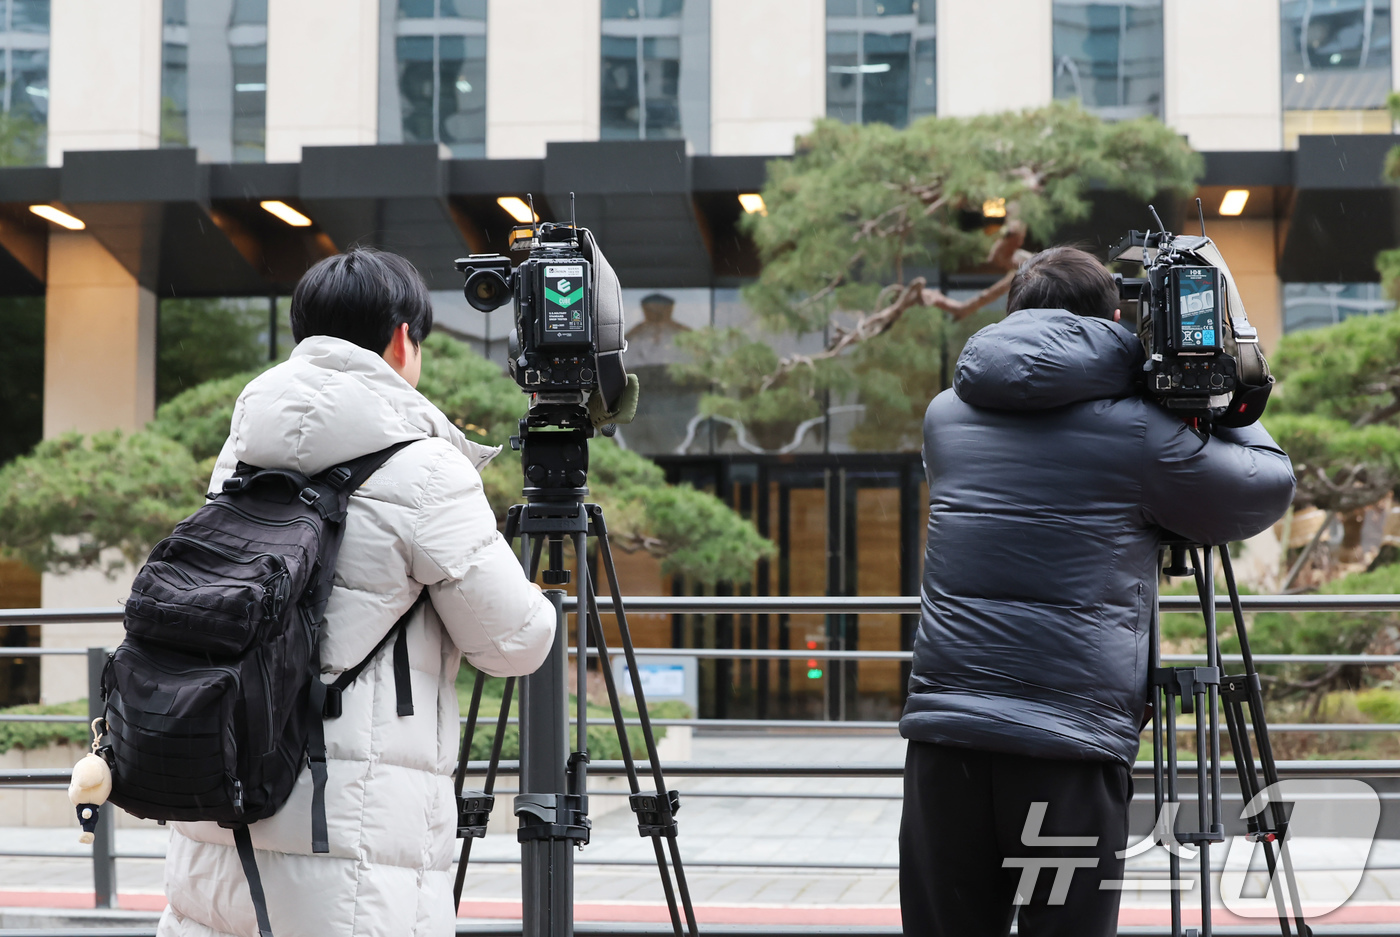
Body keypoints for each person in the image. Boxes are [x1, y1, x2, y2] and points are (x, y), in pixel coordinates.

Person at [158, 248, 556, 937]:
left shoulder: (243, 449)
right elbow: (514, 643)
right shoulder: (427, 468)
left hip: (221, 817)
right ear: (403, 339)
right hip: (349, 840)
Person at [898, 246, 1295, 936]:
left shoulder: (945, 416)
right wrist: (1221, 381)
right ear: (1114, 319)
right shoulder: (1141, 430)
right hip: (1068, 748)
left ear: (1012, 314)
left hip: (944, 739)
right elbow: (1267, 483)